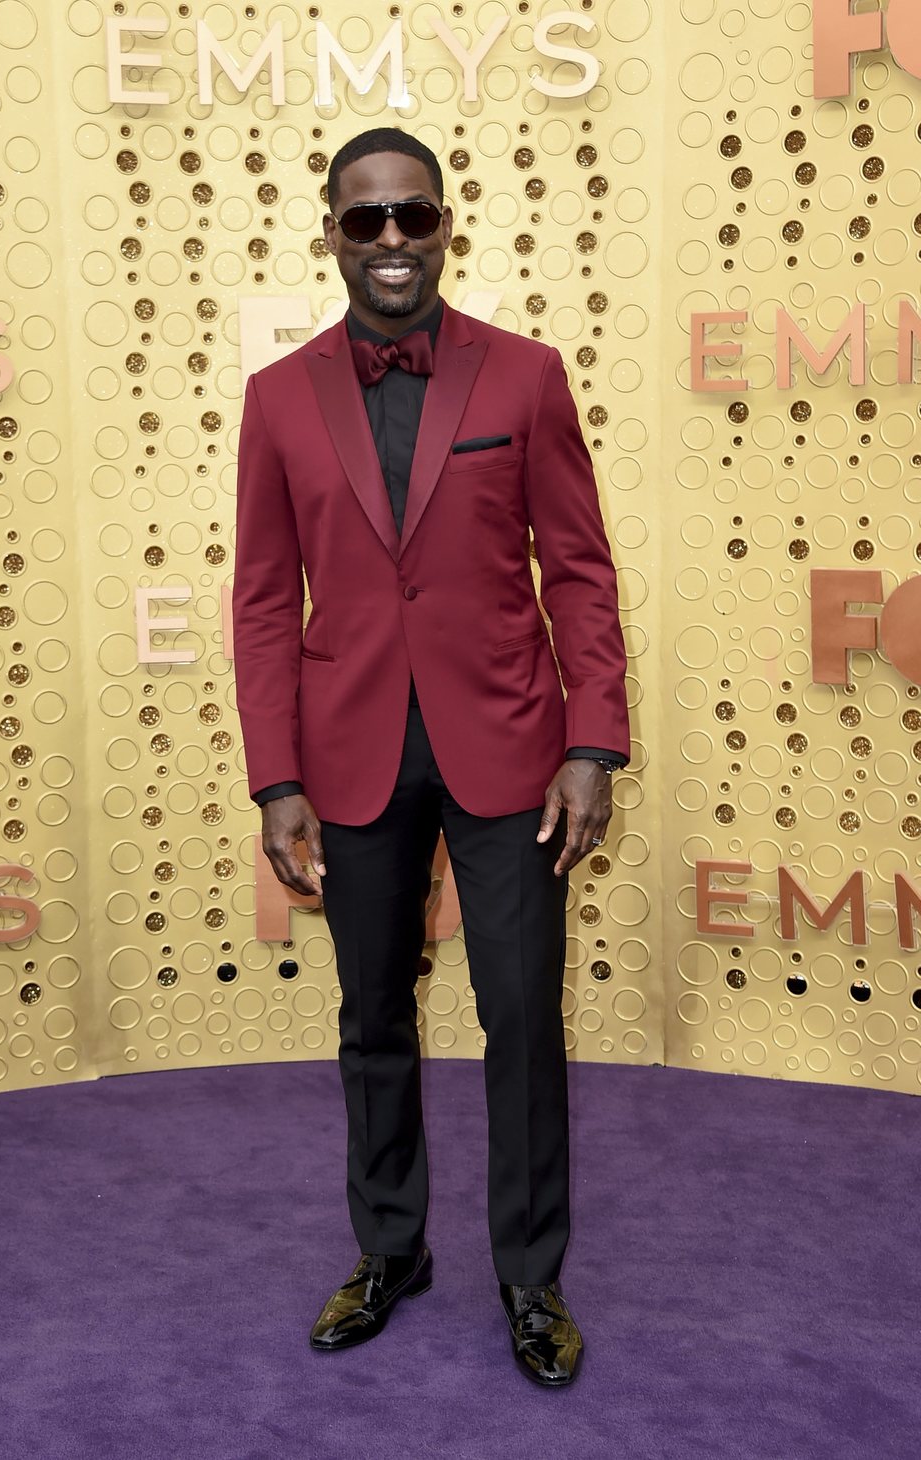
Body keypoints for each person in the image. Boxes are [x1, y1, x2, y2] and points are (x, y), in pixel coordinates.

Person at [232, 127, 629, 1388]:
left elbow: (577, 564)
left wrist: (593, 739)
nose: (392, 241)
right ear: (332, 234)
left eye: (414, 217)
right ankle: (389, 1250)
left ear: (447, 225)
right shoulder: (278, 397)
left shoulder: (523, 376)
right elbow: (258, 598)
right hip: (349, 756)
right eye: (367, 222)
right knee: (371, 1018)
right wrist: (276, 776)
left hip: (510, 745)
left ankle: (529, 1274)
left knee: (521, 1019)